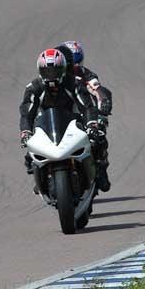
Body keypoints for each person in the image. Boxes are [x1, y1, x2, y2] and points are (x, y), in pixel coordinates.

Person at [19, 48, 110, 192]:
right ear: (40, 71)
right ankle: (41, 176)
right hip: (46, 125)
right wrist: (25, 132)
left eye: (54, 71)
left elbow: (87, 106)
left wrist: (92, 123)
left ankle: (99, 170)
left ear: (63, 69)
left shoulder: (74, 83)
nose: (51, 76)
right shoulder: (34, 88)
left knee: (97, 139)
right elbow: (27, 113)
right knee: (30, 155)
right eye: (47, 72)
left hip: (74, 122)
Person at [56, 41, 112, 191]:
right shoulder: (52, 75)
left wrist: (103, 106)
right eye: (68, 63)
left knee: (99, 136)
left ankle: (101, 168)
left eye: (74, 63)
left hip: (84, 113)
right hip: (60, 116)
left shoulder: (85, 74)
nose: (70, 67)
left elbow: (98, 90)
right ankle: (41, 170)